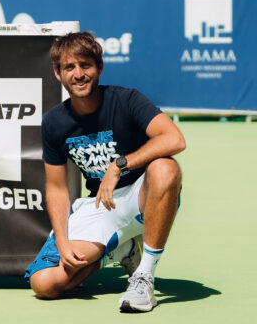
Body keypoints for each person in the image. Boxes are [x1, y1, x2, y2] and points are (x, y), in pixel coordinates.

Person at [25, 32, 185, 312]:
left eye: (85, 65)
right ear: (57, 73)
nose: (78, 74)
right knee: (45, 284)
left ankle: (145, 275)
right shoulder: (53, 122)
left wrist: (119, 165)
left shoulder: (126, 100)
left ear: (99, 67)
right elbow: (57, 188)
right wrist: (62, 242)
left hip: (144, 199)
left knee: (165, 167)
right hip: (102, 206)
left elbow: (174, 139)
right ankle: (121, 249)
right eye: (69, 68)